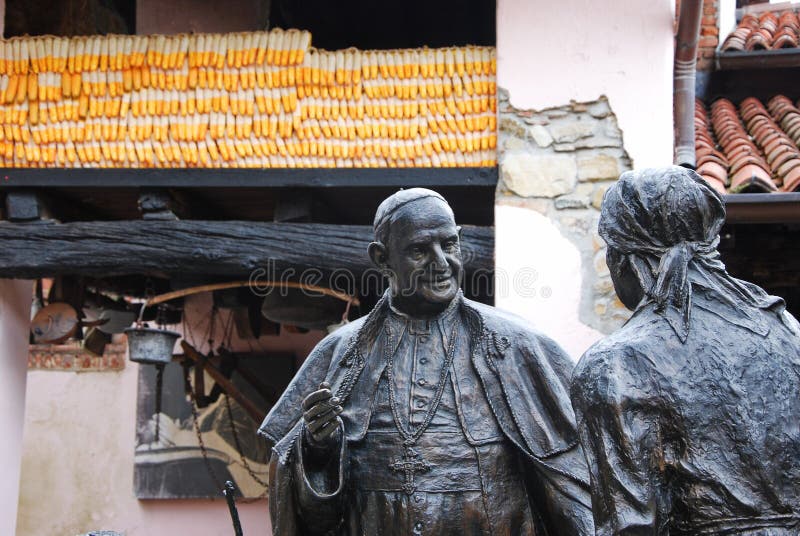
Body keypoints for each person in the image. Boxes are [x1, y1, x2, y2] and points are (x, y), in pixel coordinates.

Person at [259, 188, 594, 535]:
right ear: (382, 258)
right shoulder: (339, 354)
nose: (441, 263)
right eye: (419, 250)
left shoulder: (518, 345)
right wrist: (318, 449)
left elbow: (574, 479)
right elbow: (309, 512)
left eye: (449, 245)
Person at [571, 167, 800, 535]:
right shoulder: (788, 330)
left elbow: (631, 527)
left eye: (610, 250)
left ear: (627, 259)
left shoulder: (615, 366)